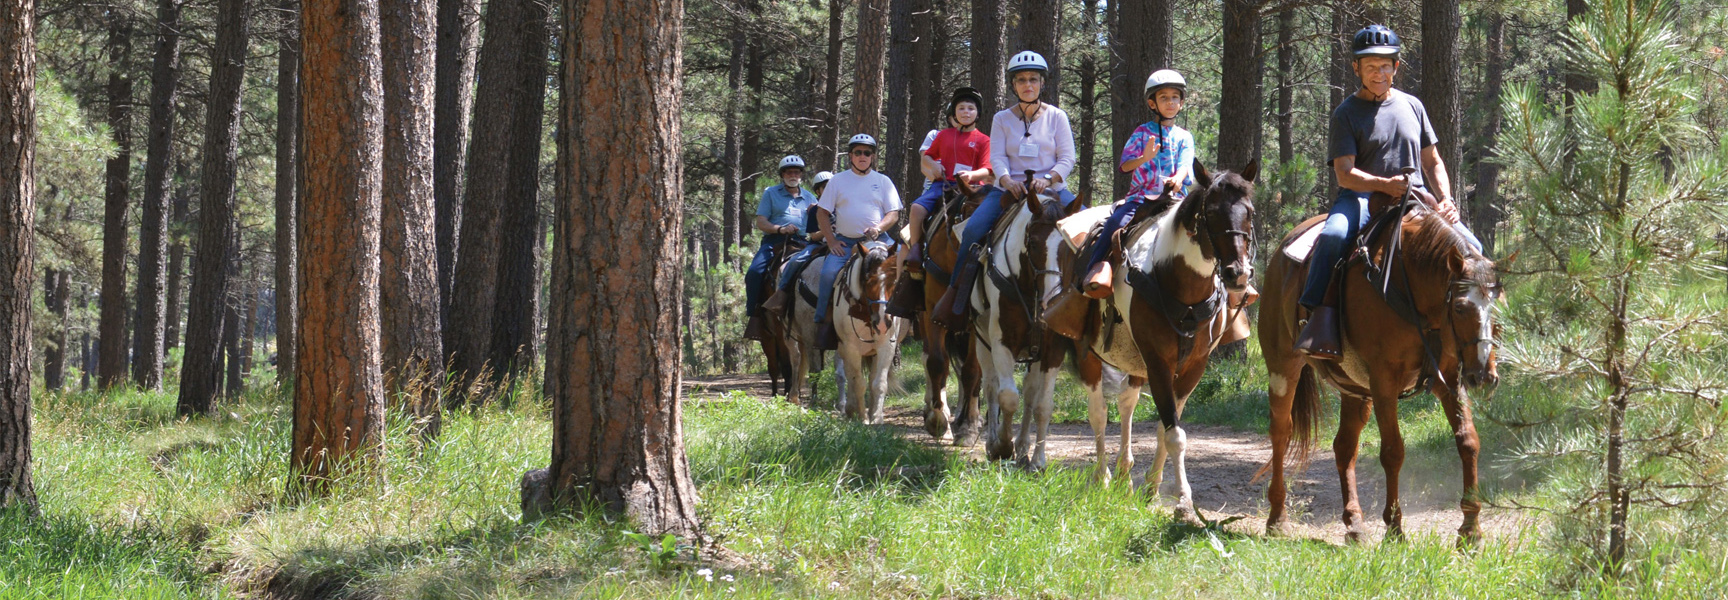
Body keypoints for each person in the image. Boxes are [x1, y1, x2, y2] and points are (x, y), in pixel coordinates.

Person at [1294, 24, 1483, 359]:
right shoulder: (1346, 114)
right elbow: (1345, 174)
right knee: (1335, 235)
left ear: (1396, 67)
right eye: (1370, 66)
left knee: (1474, 248)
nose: (1378, 73)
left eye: (1385, 66)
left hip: (1417, 198)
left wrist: (1447, 200)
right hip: (1361, 198)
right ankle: (1315, 317)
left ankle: (1469, 335)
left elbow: (1433, 161)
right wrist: (1386, 185)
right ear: (1356, 68)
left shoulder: (1413, 106)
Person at [1042, 69, 1195, 337]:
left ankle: (1226, 291)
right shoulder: (1141, 133)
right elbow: (1125, 166)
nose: (1170, 102)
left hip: (1175, 201)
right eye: (1164, 97)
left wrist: (1179, 178)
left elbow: (1185, 164)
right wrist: (1145, 156)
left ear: (1181, 103)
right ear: (1152, 103)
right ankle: (1091, 277)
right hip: (1142, 199)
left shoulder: (1184, 136)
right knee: (1113, 224)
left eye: (1175, 97)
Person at [934, 50, 1077, 330]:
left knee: (1087, 230)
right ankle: (957, 299)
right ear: (1013, 85)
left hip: (1052, 189)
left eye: (1033, 79)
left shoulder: (1057, 117)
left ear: (1042, 83)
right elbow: (997, 157)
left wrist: (1048, 179)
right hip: (1010, 189)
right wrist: (1005, 180)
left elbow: (1067, 158)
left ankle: (1085, 305)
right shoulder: (1002, 118)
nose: (1028, 85)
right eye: (1021, 80)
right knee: (974, 231)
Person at [887, 87, 994, 317]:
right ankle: (916, 249)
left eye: (970, 108)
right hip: (942, 185)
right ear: (954, 113)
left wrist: (972, 176)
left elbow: (988, 168)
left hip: (971, 189)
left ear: (978, 113)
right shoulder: (944, 135)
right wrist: (933, 166)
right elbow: (927, 155)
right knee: (916, 208)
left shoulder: (984, 140)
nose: (966, 112)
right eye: (961, 108)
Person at [812, 134, 902, 349]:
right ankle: (824, 323)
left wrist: (878, 227)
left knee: (901, 271)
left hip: (878, 240)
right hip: (845, 241)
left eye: (867, 153)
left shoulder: (883, 181)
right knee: (827, 275)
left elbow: (893, 213)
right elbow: (822, 213)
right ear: (851, 155)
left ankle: (909, 319)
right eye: (858, 152)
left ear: (872, 156)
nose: (863, 156)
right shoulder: (838, 181)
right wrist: (832, 241)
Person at [744, 155, 817, 341]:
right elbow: (761, 222)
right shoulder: (771, 193)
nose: (793, 175)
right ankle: (755, 315)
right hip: (774, 241)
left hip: (802, 242)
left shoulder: (810, 197)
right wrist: (781, 229)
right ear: (782, 174)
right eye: (789, 172)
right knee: (754, 272)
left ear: (801, 174)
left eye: (796, 172)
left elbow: (817, 225)